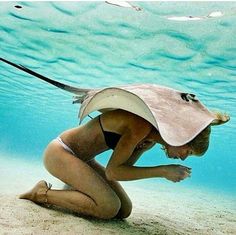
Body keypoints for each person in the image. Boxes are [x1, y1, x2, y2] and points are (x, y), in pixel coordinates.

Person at [19, 109, 229, 219]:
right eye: (188, 152)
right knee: (109, 207)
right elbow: (112, 172)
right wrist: (163, 171)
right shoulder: (140, 126)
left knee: (124, 210)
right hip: (61, 152)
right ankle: (41, 193)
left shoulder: (148, 140)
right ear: (183, 137)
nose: (183, 158)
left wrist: (140, 149)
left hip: (82, 161)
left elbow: (122, 171)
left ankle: (75, 189)